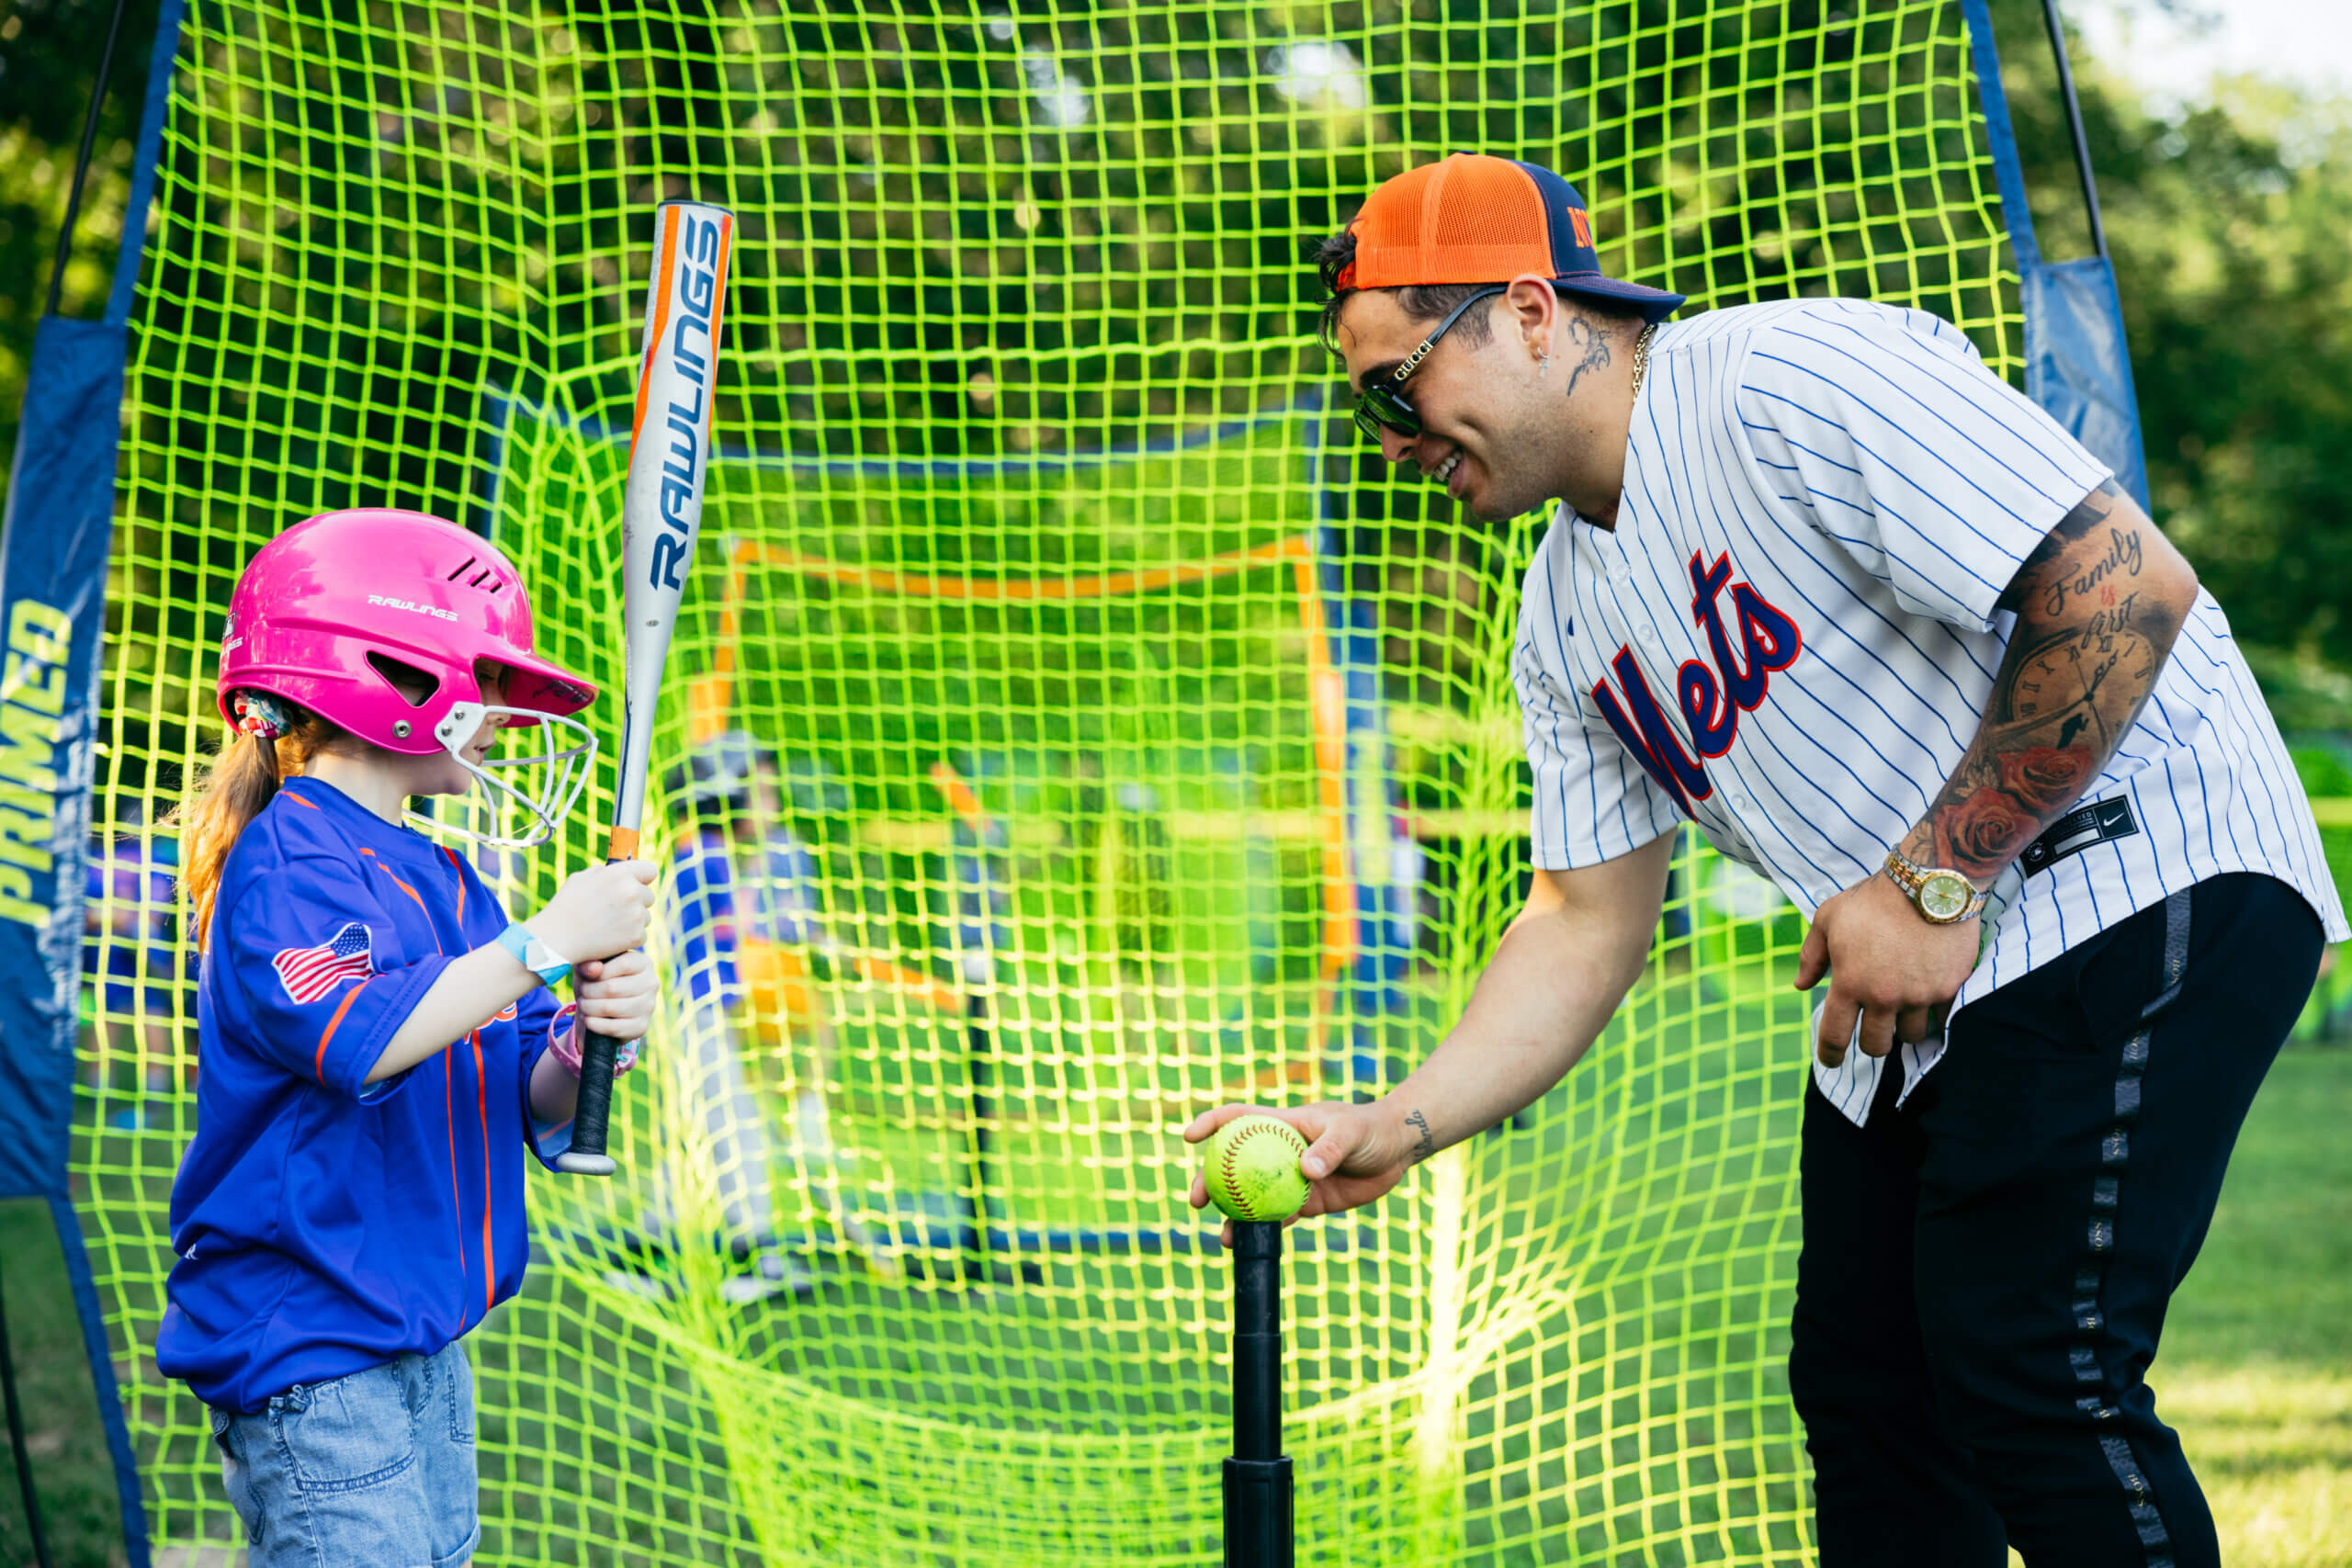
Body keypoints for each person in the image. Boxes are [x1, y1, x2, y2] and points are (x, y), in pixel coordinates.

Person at [1186, 153, 2346, 1567]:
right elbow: (1580, 918)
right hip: (1926, 979)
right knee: (1871, 1403)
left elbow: (2120, 584)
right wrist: (1401, 1118)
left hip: (2137, 865)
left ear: (1535, 312)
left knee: (2030, 1366)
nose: (1390, 435)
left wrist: (1935, 877)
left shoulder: (1780, 378)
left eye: (1397, 384)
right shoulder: (1560, 614)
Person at [155, 509, 659, 1568]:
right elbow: (362, 1037)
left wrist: (580, 1040)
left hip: (418, 1341)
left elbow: (526, 1091)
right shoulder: (289, 859)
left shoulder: (450, 879)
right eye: (477, 688)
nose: (499, 721)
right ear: (387, 679)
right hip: (313, 1346)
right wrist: (546, 940)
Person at [662, 731, 850, 1293]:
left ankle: (671, 1248)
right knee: (730, 1129)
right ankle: (746, 1254)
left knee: (719, 1129)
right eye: (759, 791)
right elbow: (688, 945)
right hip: (702, 1010)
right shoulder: (706, 860)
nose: (771, 802)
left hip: (713, 1010)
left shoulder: (717, 858)